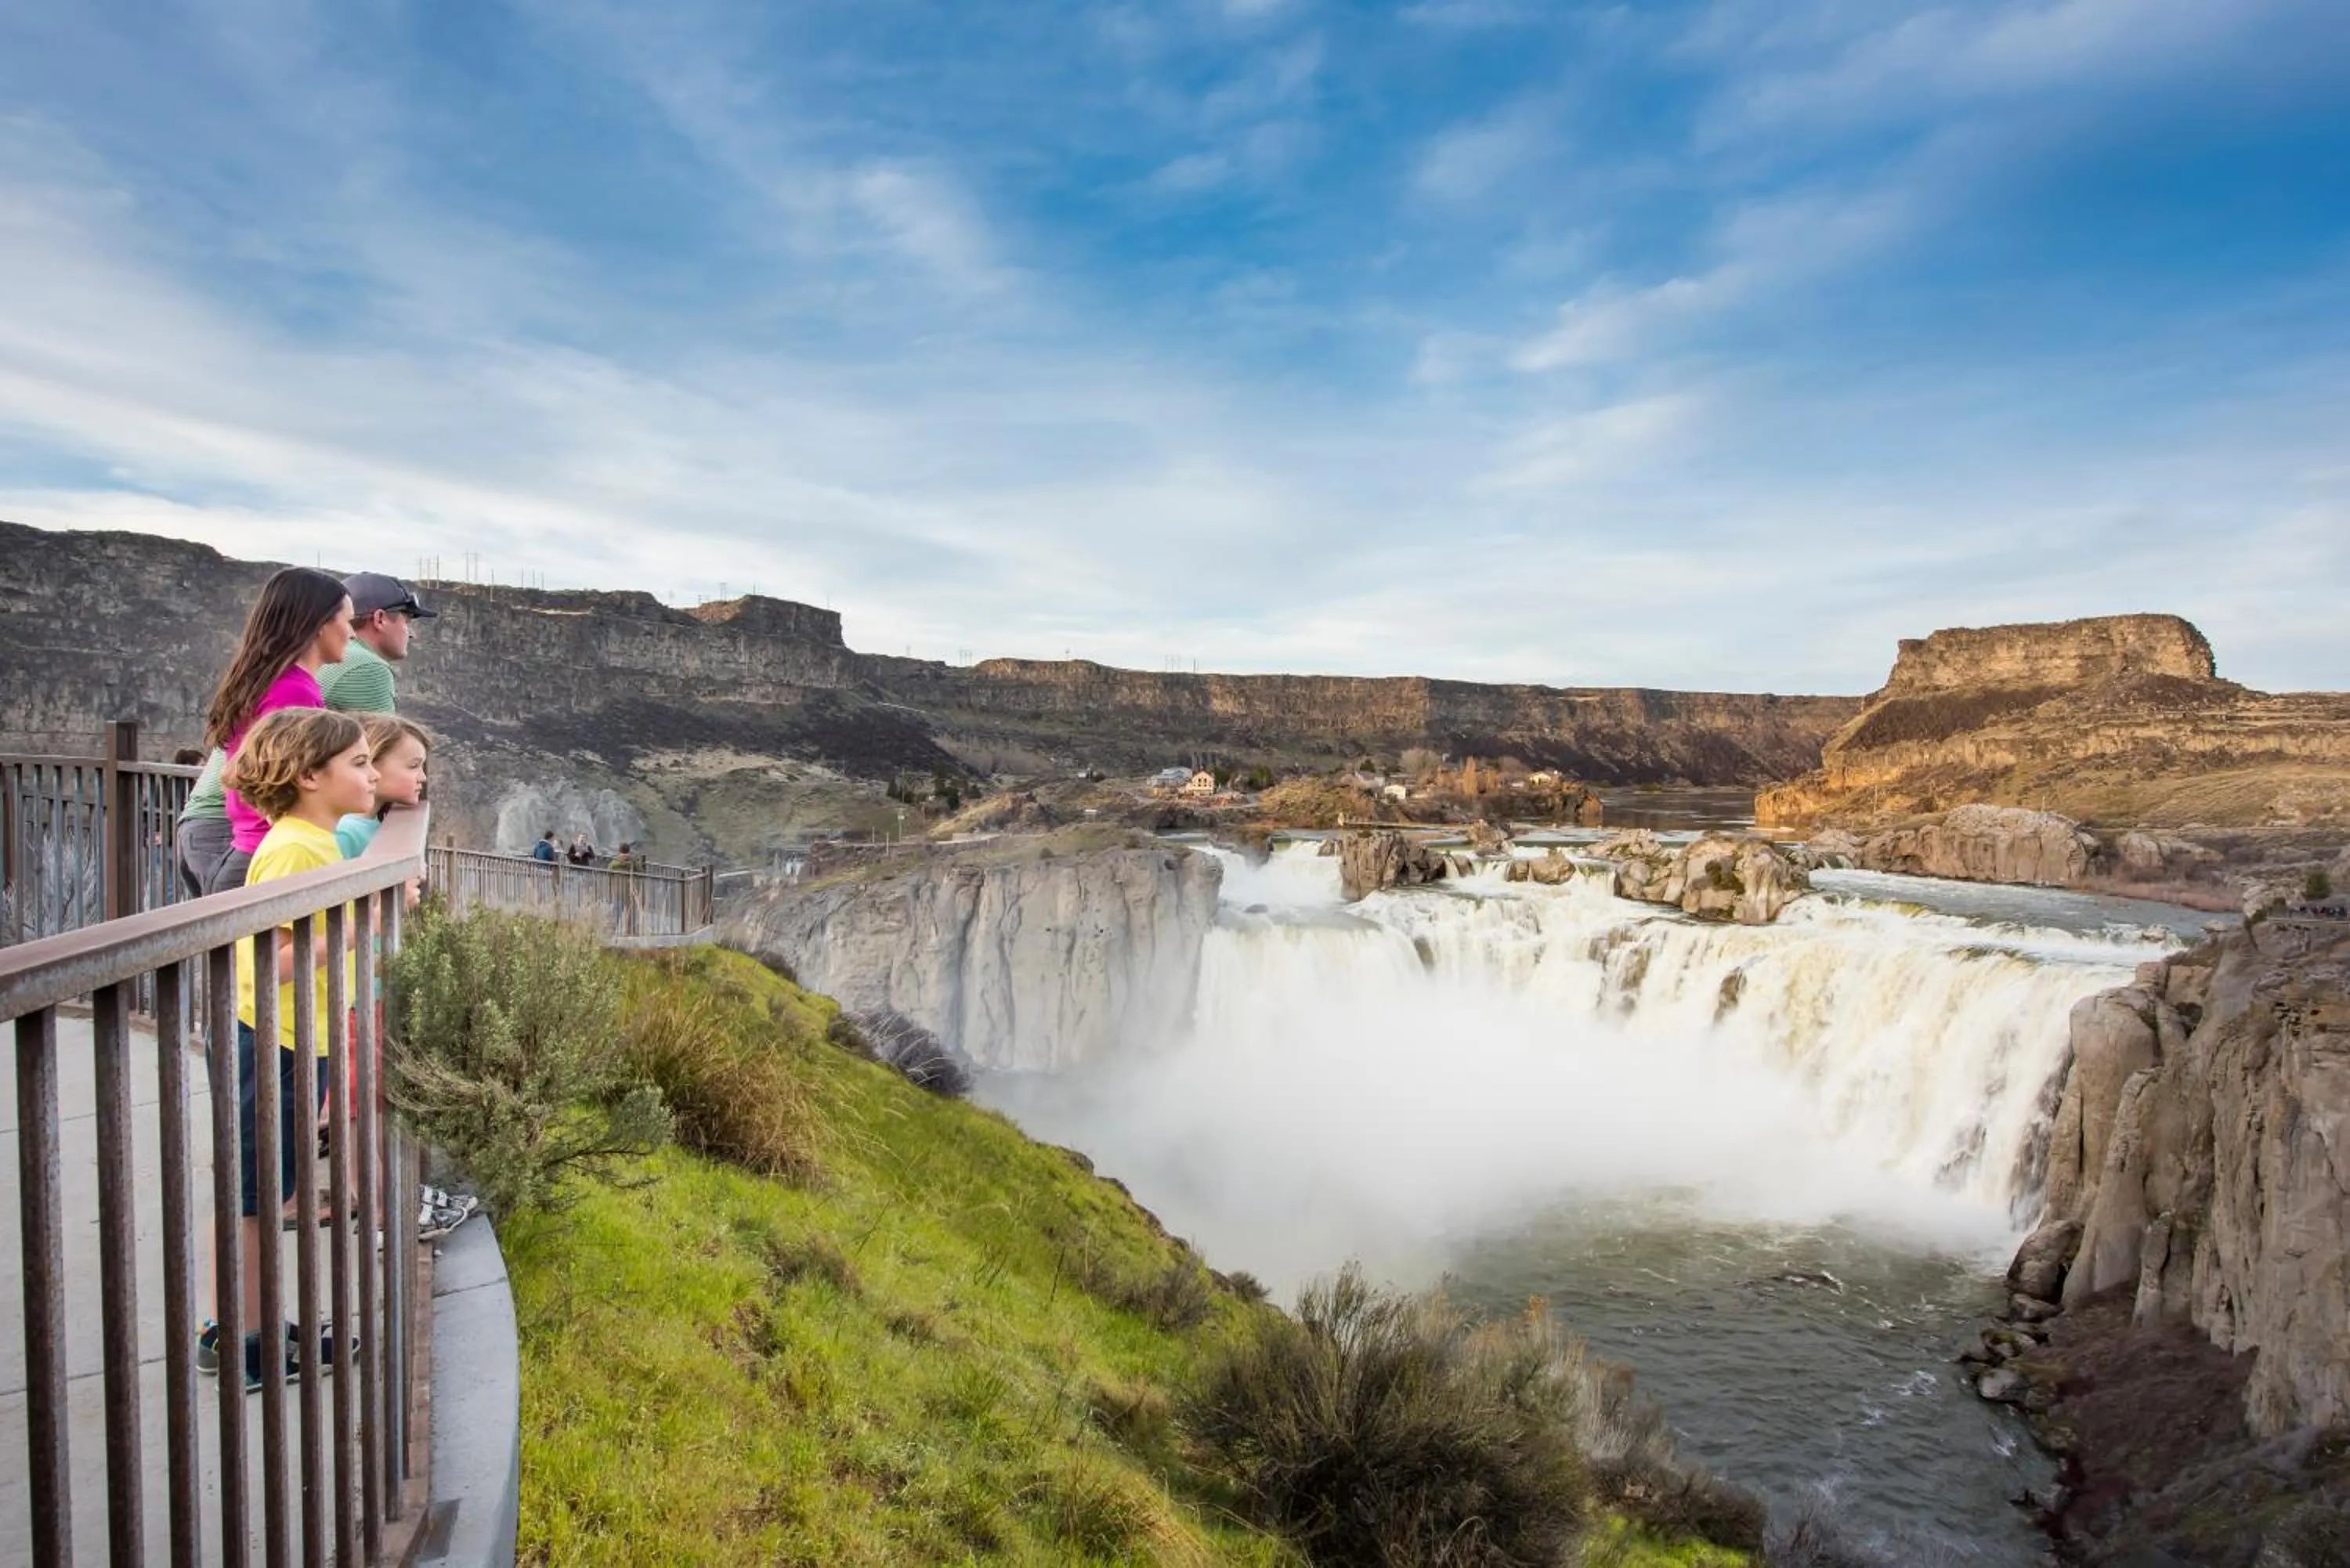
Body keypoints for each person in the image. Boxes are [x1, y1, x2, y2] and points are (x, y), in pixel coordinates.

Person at [197, 709, 376, 1389]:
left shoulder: (309, 840)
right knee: (256, 1194)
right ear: (309, 776)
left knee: (265, 1187)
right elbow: (273, 957)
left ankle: (249, 1324)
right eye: (357, 763)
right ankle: (250, 1343)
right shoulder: (299, 847)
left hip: (291, 1038)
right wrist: (362, 924)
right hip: (275, 1041)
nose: (368, 772)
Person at [175, 568, 352, 898]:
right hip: (263, 847)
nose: (351, 634)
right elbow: (279, 776)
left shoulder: (274, 682)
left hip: (248, 842)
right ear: (319, 625)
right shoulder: (292, 693)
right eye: (347, 621)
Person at [317, 572, 436, 714]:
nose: (412, 634)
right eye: (407, 622)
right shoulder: (367, 667)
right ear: (380, 619)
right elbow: (381, 737)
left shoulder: (332, 655)